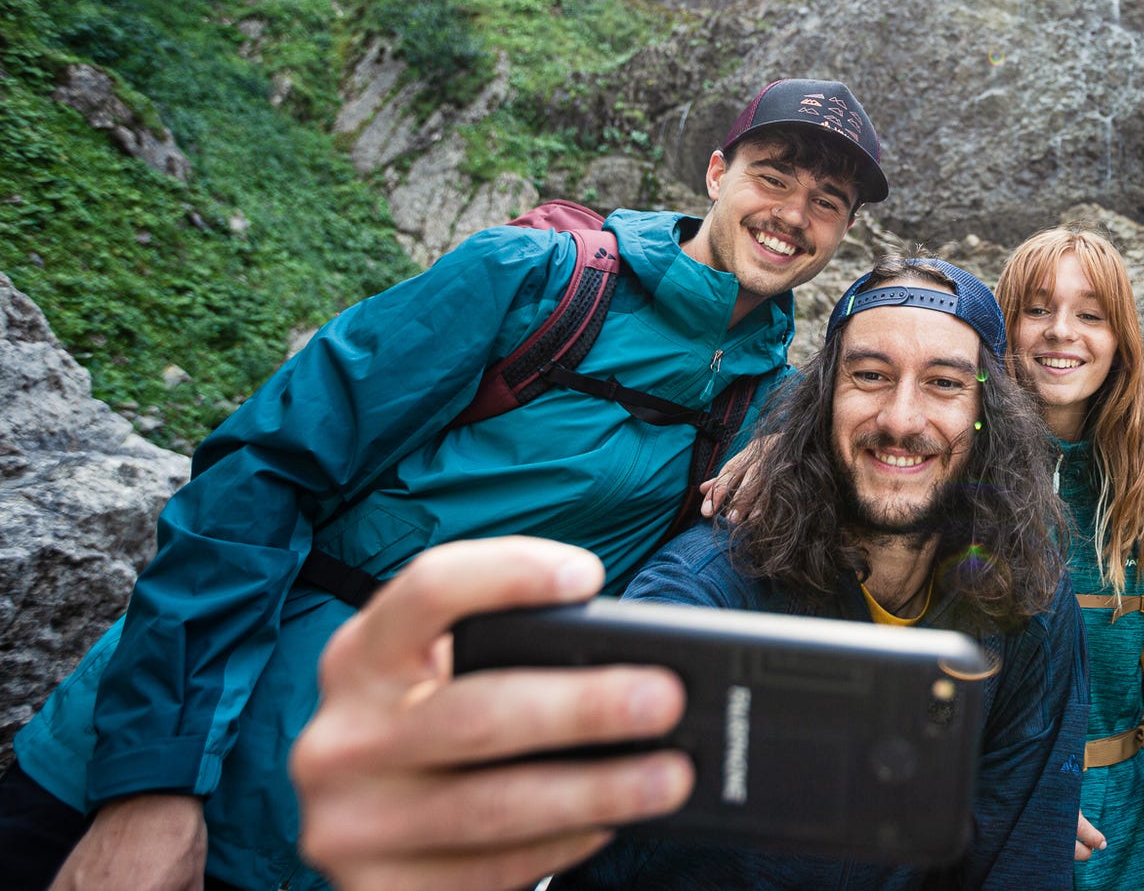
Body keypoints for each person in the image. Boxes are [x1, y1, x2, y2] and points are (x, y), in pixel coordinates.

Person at [1, 78, 889, 891]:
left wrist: (787, 436)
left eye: (827, 202)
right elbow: (261, 473)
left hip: (384, 828)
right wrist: (151, 782)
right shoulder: (533, 278)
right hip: (192, 761)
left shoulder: (766, 397)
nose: (792, 214)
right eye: (773, 177)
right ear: (716, 172)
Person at [289, 257, 1086, 891]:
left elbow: (1016, 854)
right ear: (820, 401)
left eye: (945, 383)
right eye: (869, 375)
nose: (903, 418)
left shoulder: (1027, 606)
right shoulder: (707, 592)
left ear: (989, 416)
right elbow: (574, 792)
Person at [992, 226, 1144, 890]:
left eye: (1089, 314)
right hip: (999, 829)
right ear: (1005, 326)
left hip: (1138, 843)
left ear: (1120, 342)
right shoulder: (952, 478)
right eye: (1038, 308)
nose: (1060, 331)